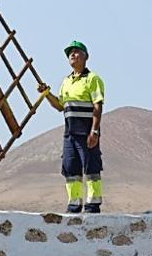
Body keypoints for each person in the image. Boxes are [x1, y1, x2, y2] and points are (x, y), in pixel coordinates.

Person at [37, 40, 105, 213]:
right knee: (70, 168)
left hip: (86, 132)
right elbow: (60, 106)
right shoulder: (66, 81)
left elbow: (97, 106)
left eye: (76, 52)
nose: (73, 55)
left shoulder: (92, 79)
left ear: (85, 57)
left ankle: (93, 205)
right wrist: (46, 94)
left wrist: (94, 131)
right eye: (70, 53)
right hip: (70, 134)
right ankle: (74, 205)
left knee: (91, 168)